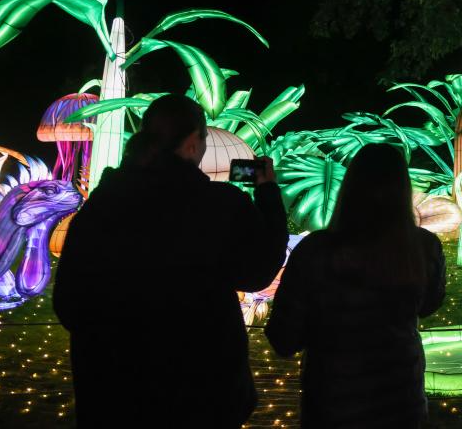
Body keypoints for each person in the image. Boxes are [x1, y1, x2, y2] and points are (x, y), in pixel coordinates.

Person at [53, 94, 288, 428]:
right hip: (202, 400)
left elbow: (68, 304)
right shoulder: (219, 206)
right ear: (192, 142)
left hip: (113, 399)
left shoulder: (100, 208)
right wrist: (267, 193)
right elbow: (259, 271)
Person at [266, 143, 446, 428]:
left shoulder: (315, 251)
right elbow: (429, 303)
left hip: (334, 403)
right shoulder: (424, 246)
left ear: (349, 187)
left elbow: (284, 338)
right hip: (401, 401)